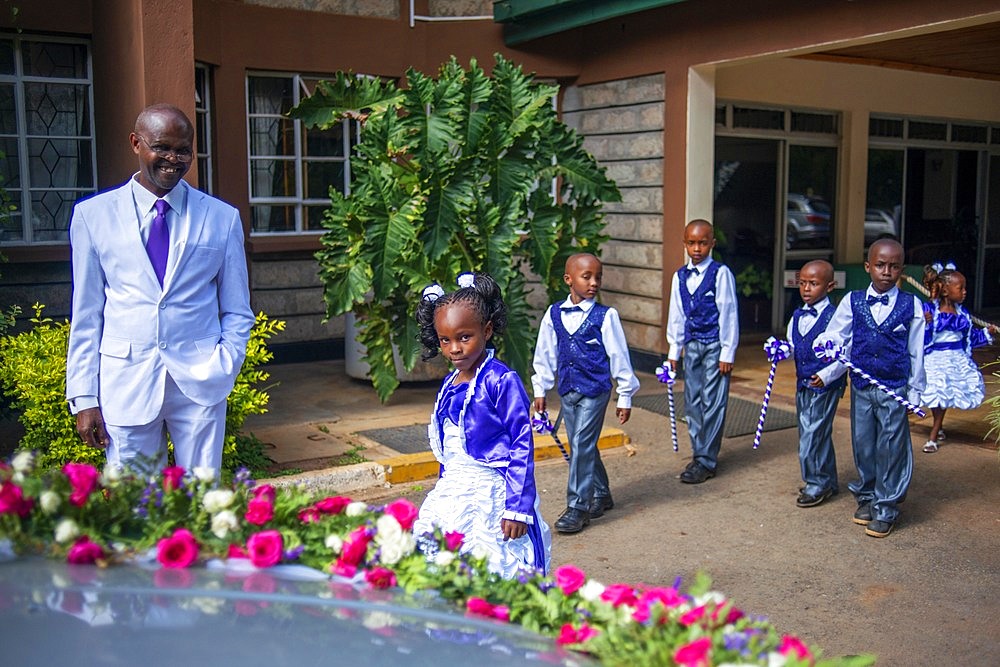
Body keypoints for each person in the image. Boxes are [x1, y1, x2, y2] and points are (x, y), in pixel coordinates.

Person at [66, 104, 254, 473]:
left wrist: (225, 364)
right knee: (135, 506)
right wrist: (84, 395)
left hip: (200, 383)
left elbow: (237, 309)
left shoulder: (222, 218)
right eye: (161, 147)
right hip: (126, 384)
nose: (173, 158)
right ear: (136, 143)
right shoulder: (93, 216)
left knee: (202, 502)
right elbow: (86, 314)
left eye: (183, 149)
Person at [413, 272, 551, 577]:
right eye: (445, 340)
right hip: (454, 492)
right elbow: (452, 446)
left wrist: (517, 506)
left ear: (486, 330)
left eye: (464, 337)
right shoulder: (451, 382)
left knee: (491, 563)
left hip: (493, 493)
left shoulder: (500, 380)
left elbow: (521, 442)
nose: (454, 349)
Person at [818, 239, 925, 538]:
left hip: (894, 387)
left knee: (891, 447)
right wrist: (829, 347)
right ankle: (867, 497)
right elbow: (836, 334)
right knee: (864, 444)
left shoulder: (911, 305)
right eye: (880, 265)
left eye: (893, 266)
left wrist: (915, 392)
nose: (886, 272)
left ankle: (887, 505)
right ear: (868, 267)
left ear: (902, 270)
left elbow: (916, 351)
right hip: (863, 386)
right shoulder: (852, 301)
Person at [531, 253, 640, 534]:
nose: (594, 283)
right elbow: (543, 353)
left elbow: (619, 357)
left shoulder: (606, 316)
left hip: (595, 390)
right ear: (569, 280)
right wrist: (540, 388)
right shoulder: (554, 314)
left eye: (598, 277)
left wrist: (625, 395)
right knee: (583, 444)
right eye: (586, 276)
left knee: (580, 442)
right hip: (568, 389)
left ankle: (578, 507)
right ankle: (601, 493)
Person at [665, 219, 738, 483]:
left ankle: (707, 460)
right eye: (692, 243)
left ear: (712, 244)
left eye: (703, 243)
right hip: (692, 345)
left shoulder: (720, 274)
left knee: (713, 401)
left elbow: (728, 313)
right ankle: (699, 452)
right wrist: (674, 350)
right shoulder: (680, 276)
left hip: (715, 345)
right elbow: (677, 314)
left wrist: (727, 352)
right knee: (693, 400)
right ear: (685, 244)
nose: (697, 248)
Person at [785, 260, 846, 508]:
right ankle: (828, 479)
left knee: (812, 433)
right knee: (812, 431)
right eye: (802, 283)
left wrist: (828, 374)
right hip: (803, 383)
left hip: (825, 385)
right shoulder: (798, 315)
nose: (806, 289)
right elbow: (792, 344)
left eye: (813, 283)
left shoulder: (835, 317)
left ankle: (816, 483)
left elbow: (845, 353)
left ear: (829, 286)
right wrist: (781, 350)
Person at [919, 263, 996, 453]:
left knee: (944, 397)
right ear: (945, 290)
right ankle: (936, 430)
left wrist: (986, 332)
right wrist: (925, 324)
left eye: (965, 288)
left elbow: (969, 338)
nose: (964, 292)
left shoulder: (963, 314)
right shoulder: (930, 310)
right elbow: (919, 338)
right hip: (935, 359)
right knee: (937, 393)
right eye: (960, 288)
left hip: (956, 360)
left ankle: (935, 433)